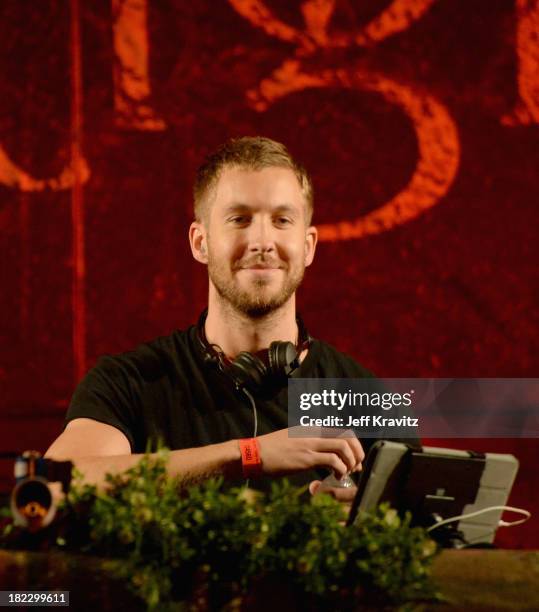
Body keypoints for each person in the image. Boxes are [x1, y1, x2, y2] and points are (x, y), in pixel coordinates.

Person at [45, 136, 379, 500]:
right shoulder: (130, 382)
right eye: (240, 219)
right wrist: (249, 455)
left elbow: (435, 532)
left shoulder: (366, 398)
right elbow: (55, 485)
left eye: (282, 220)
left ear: (309, 246)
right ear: (199, 242)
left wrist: (356, 529)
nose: (262, 241)